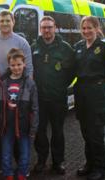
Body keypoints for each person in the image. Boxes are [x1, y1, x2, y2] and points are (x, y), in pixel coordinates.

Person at [0, 9, 33, 174]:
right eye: (2, 20)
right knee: (1, 127)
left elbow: (29, 70)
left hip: (18, 93)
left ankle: (21, 163)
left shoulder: (22, 43)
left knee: (19, 127)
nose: (5, 23)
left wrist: (27, 94)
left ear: (13, 22)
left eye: (8, 20)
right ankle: (2, 160)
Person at [73, 16, 105, 180]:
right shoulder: (78, 46)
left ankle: (100, 169)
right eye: (83, 28)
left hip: (97, 91)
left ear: (97, 28)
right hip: (81, 92)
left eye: (89, 28)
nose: (86, 31)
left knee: (96, 133)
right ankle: (89, 164)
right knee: (85, 132)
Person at [32, 16, 75, 175]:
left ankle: (58, 162)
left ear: (55, 28)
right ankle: (41, 160)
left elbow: (72, 71)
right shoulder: (34, 47)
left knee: (58, 131)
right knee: (40, 131)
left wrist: (60, 84)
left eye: (49, 27)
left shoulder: (65, 48)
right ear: (40, 29)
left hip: (58, 98)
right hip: (39, 99)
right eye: (44, 27)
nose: (46, 30)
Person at [0, 48, 38, 180]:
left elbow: (35, 107)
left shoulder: (30, 83)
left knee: (25, 152)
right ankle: (8, 174)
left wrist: (34, 126)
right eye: (13, 65)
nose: (16, 68)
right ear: (9, 65)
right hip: (6, 125)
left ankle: (22, 174)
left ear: (24, 64)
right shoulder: (2, 82)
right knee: (6, 152)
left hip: (24, 125)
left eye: (19, 64)